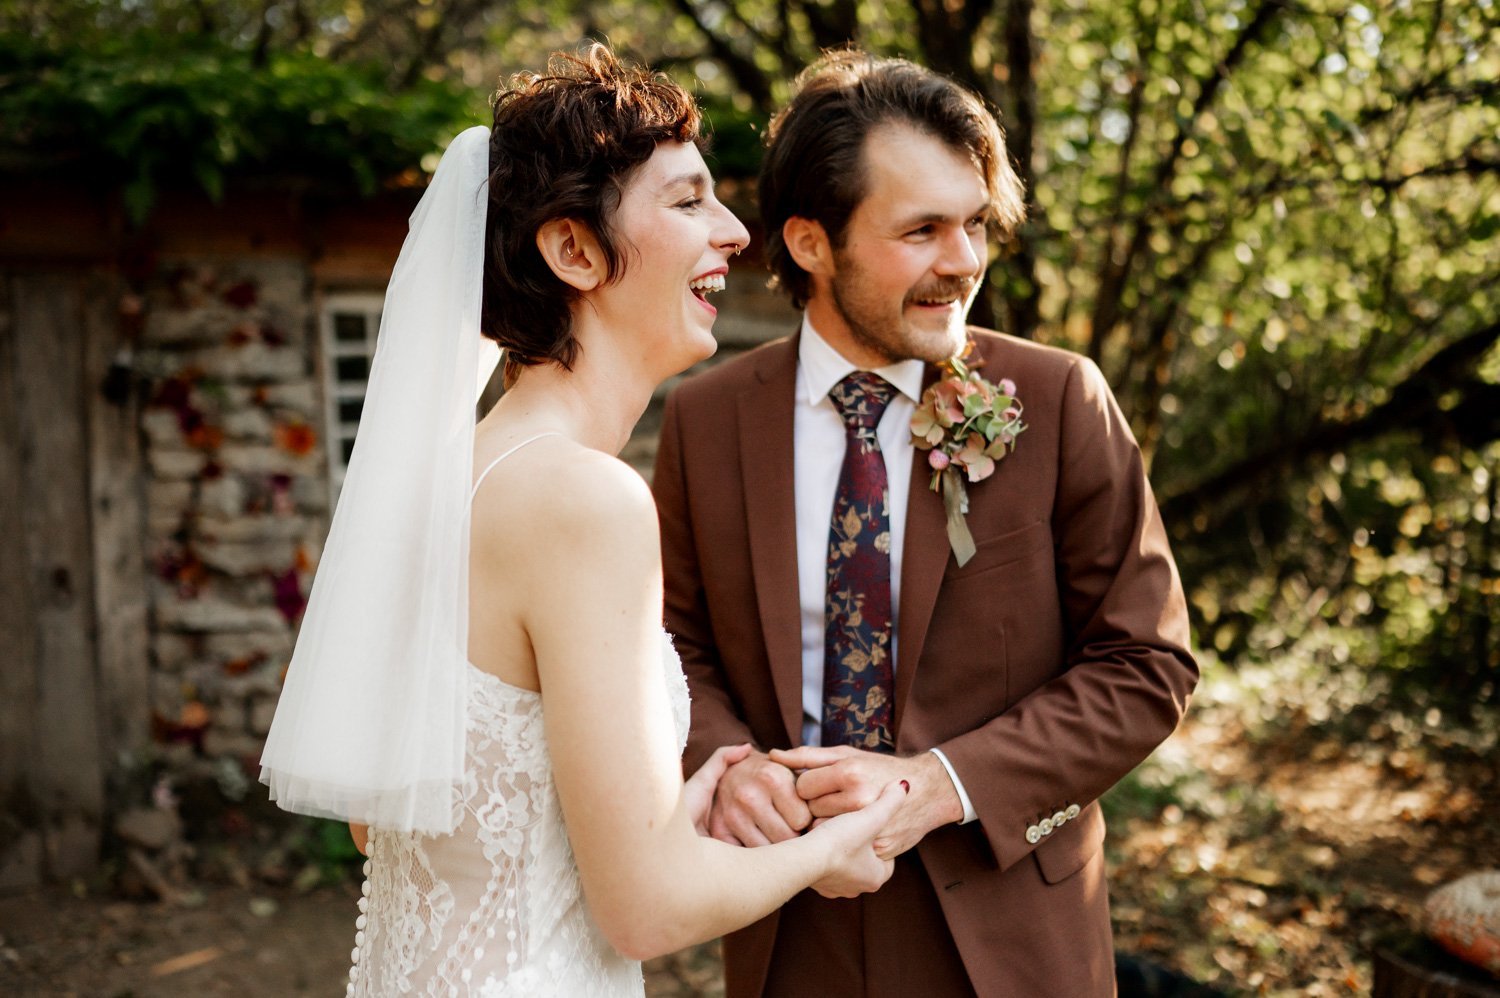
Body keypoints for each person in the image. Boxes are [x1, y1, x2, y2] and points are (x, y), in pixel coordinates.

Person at [259, 46, 911, 998]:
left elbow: (394, 819)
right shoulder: (586, 501)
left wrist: (669, 806)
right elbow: (644, 910)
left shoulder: (454, 478)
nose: (732, 231)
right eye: (688, 202)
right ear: (574, 251)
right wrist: (835, 844)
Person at [653, 49, 1199, 996]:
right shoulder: (704, 422)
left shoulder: (1061, 400)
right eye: (923, 230)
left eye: (975, 223)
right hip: (787, 924)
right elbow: (670, 645)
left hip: (1012, 933)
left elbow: (1147, 665)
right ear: (812, 243)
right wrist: (725, 764)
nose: (965, 260)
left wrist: (939, 783)